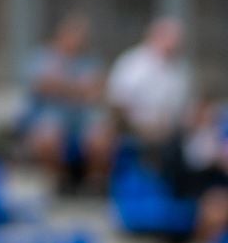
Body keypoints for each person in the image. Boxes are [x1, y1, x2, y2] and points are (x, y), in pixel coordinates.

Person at [21, 14, 115, 192]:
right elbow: (43, 85)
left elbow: (98, 90)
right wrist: (78, 90)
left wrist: (63, 88)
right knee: (47, 136)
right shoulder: (43, 57)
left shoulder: (90, 61)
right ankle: (60, 182)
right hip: (50, 116)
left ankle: (95, 185)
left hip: (83, 118)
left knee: (102, 136)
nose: (77, 42)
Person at [107, 17, 192, 145]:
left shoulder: (181, 70)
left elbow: (183, 109)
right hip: (132, 136)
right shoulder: (133, 63)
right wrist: (139, 128)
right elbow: (117, 103)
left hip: (170, 137)